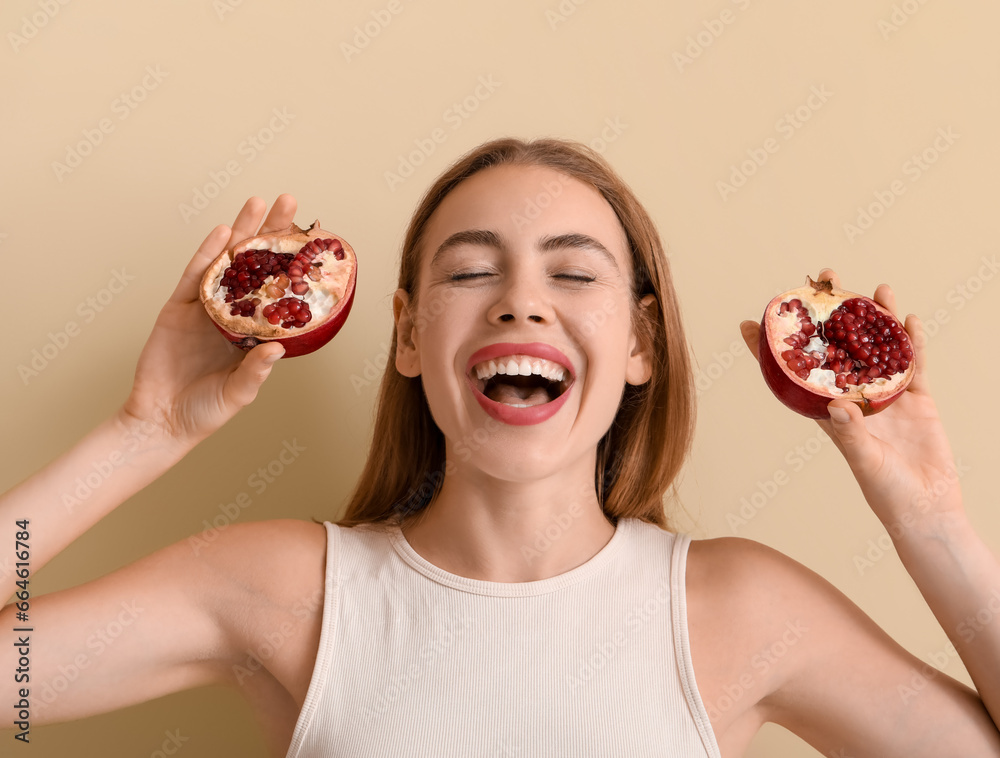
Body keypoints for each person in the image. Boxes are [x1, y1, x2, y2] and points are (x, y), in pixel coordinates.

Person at [3, 137, 999, 757]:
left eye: (574, 275)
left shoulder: (743, 607)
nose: (521, 298)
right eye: (472, 270)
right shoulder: (284, 585)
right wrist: (142, 435)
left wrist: (931, 521)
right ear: (405, 334)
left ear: (642, 343)